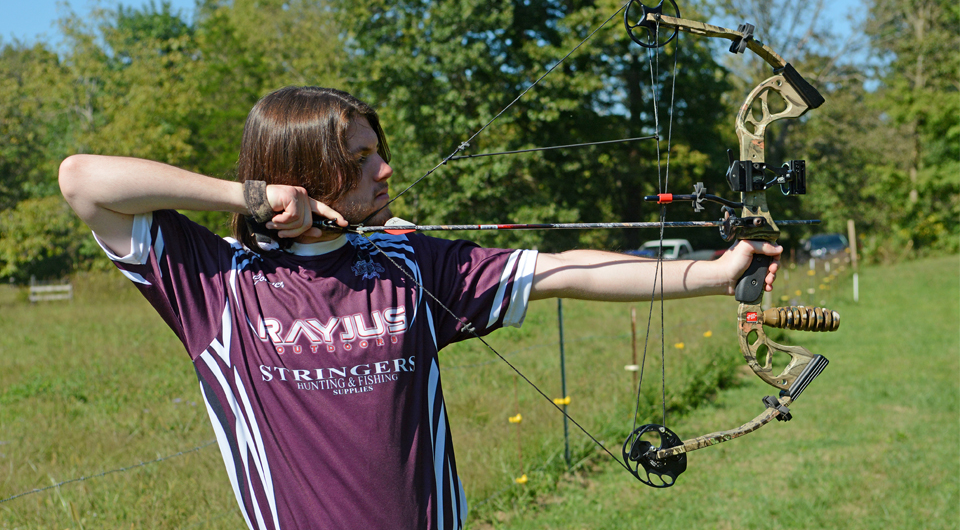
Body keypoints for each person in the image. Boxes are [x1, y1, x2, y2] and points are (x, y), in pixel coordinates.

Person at [58, 86, 781, 530]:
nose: (385, 169)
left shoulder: (407, 263)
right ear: (307, 174)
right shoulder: (217, 281)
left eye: (380, 152)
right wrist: (247, 197)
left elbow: (565, 271)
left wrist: (717, 274)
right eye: (363, 158)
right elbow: (83, 181)